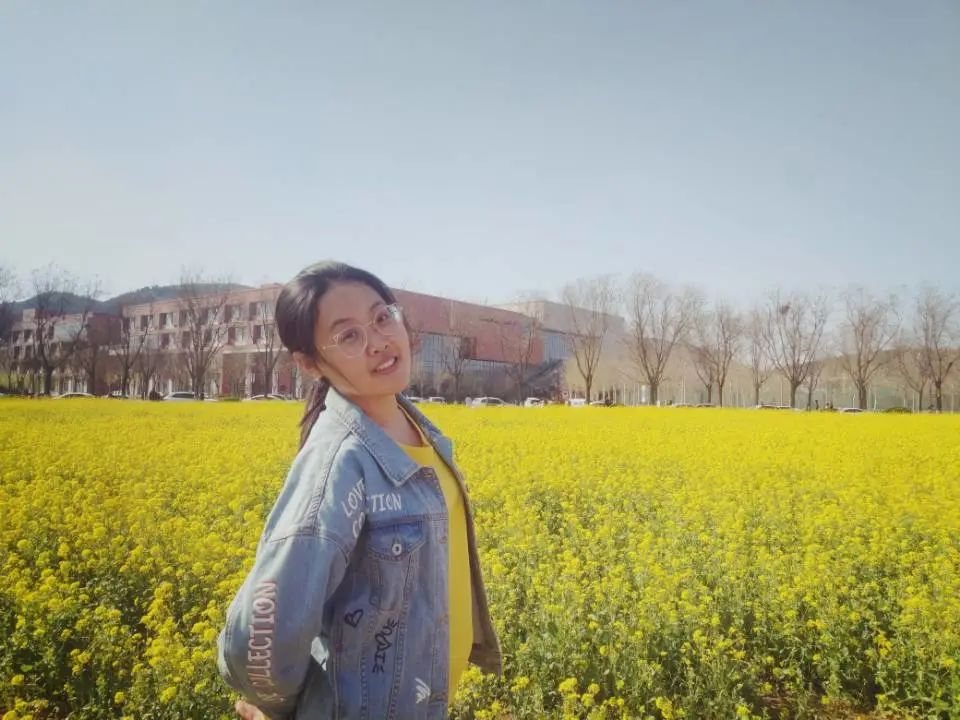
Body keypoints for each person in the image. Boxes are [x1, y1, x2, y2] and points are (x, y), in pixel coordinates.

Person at [216, 261, 501, 720]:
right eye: (348, 336)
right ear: (309, 364)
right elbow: (261, 634)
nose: (379, 341)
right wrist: (281, 710)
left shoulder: (418, 429)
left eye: (382, 317)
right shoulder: (339, 465)